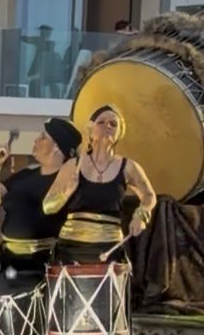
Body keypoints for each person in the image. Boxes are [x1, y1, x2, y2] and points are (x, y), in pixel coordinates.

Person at [0, 118, 83, 335]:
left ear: (58, 148)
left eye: (43, 137)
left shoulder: (67, 177)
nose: (36, 141)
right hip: (12, 257)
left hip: (41, 258)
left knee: (36, 317)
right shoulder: (25, 176)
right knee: (9, 315)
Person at [45, 105, 156, 264]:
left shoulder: (129, 167)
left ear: (119, 134)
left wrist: (141, 214)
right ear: (90, 130)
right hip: (70, 249)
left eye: (113, 124)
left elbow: (149, 195)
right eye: (101, 122)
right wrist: (67, 192)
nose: (108, 126)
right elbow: (48, 206)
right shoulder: (72, 165)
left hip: (109, 248)